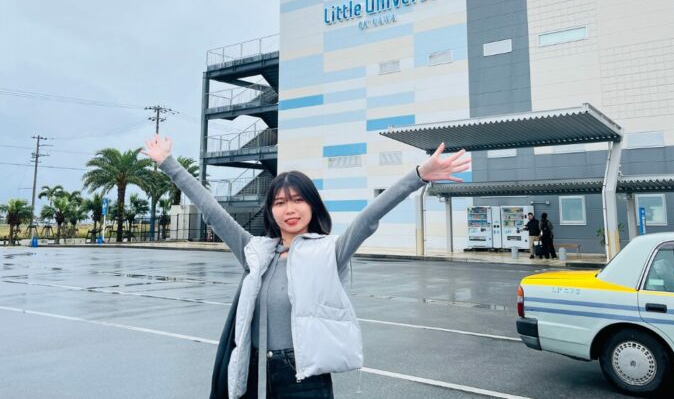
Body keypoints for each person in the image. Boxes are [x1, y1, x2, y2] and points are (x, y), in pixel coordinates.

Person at [143, 134, 470, 399]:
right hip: (254, 372)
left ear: (312, 205)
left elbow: (369, 217)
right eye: (280, 202)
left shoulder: (330, 250)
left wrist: (417, 177)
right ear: (271, 211)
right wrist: (170, 164)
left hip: (303, 377)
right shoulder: (256, 252)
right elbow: (212, 210)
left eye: (298, 200)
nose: (290, 209)